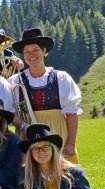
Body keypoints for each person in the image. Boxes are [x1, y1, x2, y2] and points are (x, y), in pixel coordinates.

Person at [9, 28, 82, 162]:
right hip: (28, 136)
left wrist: (71, 143)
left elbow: (71, 114)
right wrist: (24, 127)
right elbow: (11, 113)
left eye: (35, 50)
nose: (31, 54)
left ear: (44, 51)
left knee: (62, 172)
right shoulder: (15, 81)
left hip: (57, 133)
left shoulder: (61, 78)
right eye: (27, 51)